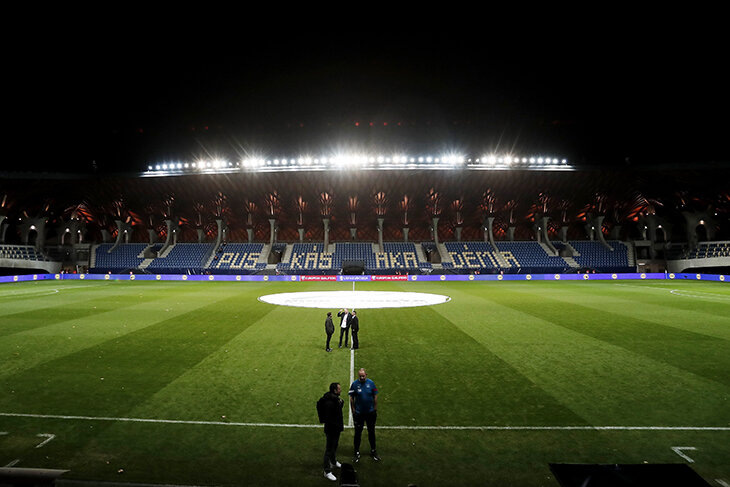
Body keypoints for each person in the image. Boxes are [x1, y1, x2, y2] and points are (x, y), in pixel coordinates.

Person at [349, 368, 380, 462]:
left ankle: (373, 450)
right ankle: (356, 452)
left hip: (370, 413)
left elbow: (375, 395)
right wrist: (353, 409)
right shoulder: (354, 384)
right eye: (360, 376)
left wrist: (375, 408)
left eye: (363, 376)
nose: (362, 377)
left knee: (371, 432)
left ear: (366, 375)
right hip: (359, 413)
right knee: (358, 433)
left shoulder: (371, 383)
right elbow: (351, 397)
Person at [320, 382, 344, 481]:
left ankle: (333, 461)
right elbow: (331, 416)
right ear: (334, 390)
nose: (340, 390)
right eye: (339, 389)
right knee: (329, 449)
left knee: (335, 445)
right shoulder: (330, 402)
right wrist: (340, 403)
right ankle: (327, 471)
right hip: (331, 429)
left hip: (336, 428)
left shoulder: (334, 399)